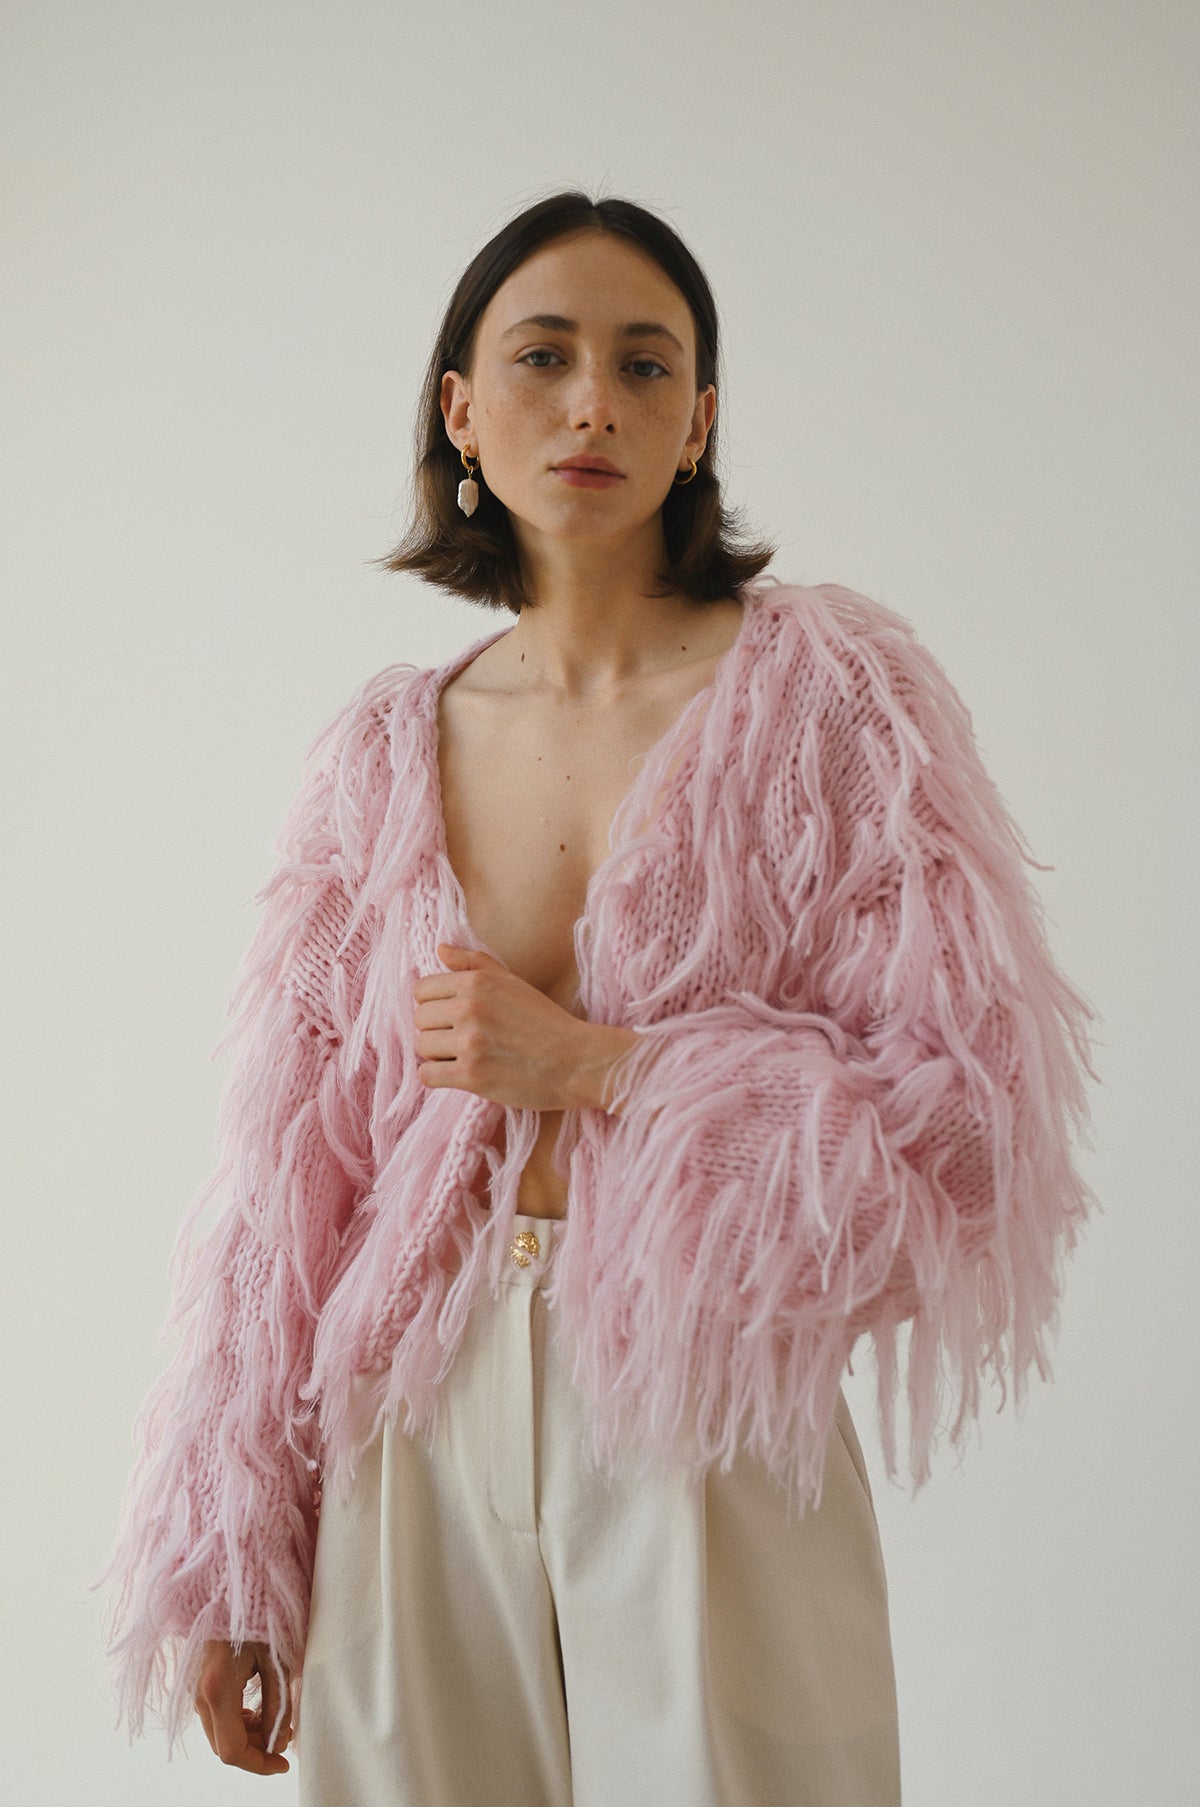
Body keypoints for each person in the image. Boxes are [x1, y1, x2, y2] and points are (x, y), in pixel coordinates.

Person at [92, 190, 1098, 1804]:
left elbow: (977, 1125)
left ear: (699, 423)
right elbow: (284, 1180)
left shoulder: (831, 705)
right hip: (412, 1414)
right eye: (543, 356)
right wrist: (235, 1543)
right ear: (460, 410)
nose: (591, 404)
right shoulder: (378, 756)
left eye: (645, 366)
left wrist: (609, 1069)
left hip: (704, 1399)